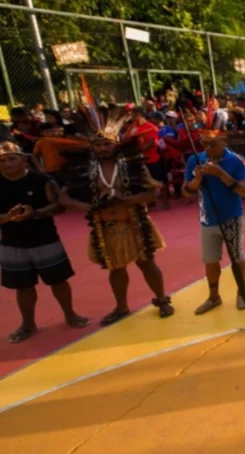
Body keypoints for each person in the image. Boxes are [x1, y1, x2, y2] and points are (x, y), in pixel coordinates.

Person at [59, 109, 174, 325]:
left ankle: (162, 299)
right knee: (115, 268)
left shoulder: (132, 165)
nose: (103, 148)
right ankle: (121, 307)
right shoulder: (84, 171)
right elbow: (63, 199)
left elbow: (153, 192)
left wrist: (125, 201)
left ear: (116, 144)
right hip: (105, 225)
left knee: (147, 263)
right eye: (99, 144)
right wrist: (90, 205)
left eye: (107, 144)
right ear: (92, 146)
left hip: (135, 221)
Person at [0, 142, 88, 343]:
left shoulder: (42, 181)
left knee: (58, 281)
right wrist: (8, 218)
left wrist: (36, 213)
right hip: (12, 243)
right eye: (2, 160)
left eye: (12, 158)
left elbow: (58, 206)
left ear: (23, 159)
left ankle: (70, 314)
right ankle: (28, 323)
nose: (7, 164)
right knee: (23, 286)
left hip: (45, 239)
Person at [183, 123, 245, 315]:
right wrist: (197, 180)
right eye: (204, 143)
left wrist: (220, 174)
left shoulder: (237, 160)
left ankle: (241, 292)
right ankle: (214, 297)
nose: (207, 149)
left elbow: (244, 190)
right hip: (207, 219)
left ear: (224, 141)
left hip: (231, 217)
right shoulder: (194, 160)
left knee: (236, 257)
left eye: (213, 144)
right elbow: (186, 192)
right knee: (210, 261)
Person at [124, 108, 168, 209]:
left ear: (140, 115)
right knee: (144, 183)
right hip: (138, 160)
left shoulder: (151, 127)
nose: (133, 118)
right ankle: (150, 202)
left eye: (134, 116)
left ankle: (165, 202)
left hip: (152, 159)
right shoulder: (132, 127)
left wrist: (139, 150)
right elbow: (125, 138)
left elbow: (151, 142)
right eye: (132, 116)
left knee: (160, 181)